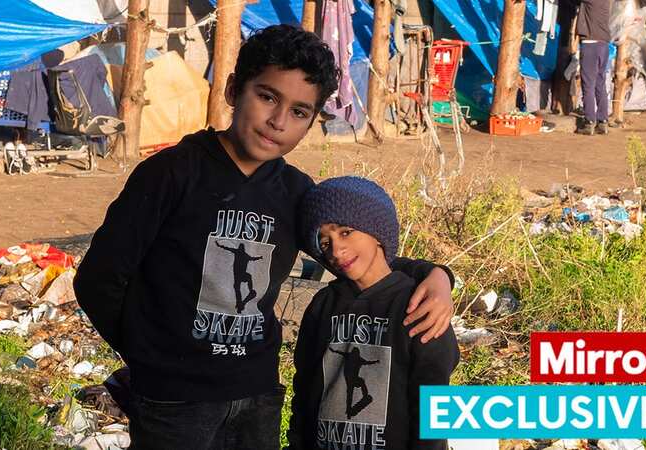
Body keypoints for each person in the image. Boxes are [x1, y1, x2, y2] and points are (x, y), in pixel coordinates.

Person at [74, 25, 455, 450]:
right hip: (174, 403)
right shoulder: (172, 173)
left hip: (257, 395)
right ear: (235, 90)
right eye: (268, 97)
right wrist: (150, 360)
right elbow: (98, 279)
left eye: (298, 112)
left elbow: (355, 258)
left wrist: (436, 275)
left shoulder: (297, 194)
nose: (277, 121)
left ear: (312, 122)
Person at [287, 176, 460, 450]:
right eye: (324, 242)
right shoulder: (322, 305)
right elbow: (305, 389)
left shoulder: (418, 305)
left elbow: (434, 402)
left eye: (345, 232)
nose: (336, 249)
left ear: (376, 231)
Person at [573, 0, 611, 135]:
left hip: (590, 44)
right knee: (600, 83)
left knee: (588, 84)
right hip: (603, 44)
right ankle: (603, 121)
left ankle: (589, 122)